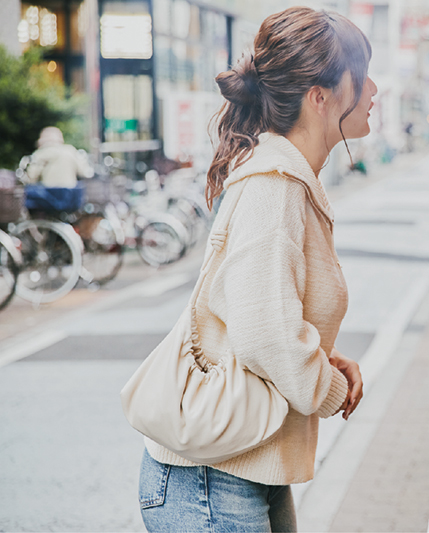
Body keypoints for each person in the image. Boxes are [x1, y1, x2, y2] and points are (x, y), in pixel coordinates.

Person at [138, 7, 375, 533]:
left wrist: (324, 360)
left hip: (242, 468)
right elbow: (265, 333)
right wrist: (331, 391)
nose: (374, 89)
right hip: (212, 483)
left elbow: (261, 308)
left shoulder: (287, 178)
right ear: (321, 96)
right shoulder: (275, 185)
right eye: (362, 76)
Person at [25, 126, 94, 187]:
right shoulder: (70, 150)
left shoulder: (41, 153)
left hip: (49, 194)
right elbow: (84, 172)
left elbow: (31, 177)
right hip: (70, 193)